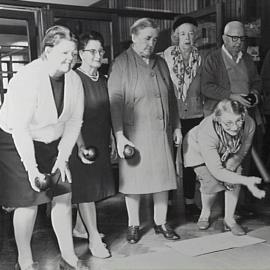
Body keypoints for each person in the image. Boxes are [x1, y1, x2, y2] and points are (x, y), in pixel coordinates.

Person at [0, 25, 85, 270]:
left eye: (74, 53)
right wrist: (32, 169)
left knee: (62, 194)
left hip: (51, 140)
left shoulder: (74, 80)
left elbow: (74, 121)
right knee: (29, 201)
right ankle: (24, 261)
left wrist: (62, 158)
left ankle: (69, 257)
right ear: (47, 51)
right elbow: (21, 129)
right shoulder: (27, 78)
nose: (71, 58)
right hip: (16, 140)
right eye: (65, 53)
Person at [108, 18, 182, 244]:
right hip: (134, 133)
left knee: (162, 178)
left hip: (161, 131)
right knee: (134, 181)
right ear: (134, 37)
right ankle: (133, 224)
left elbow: (171, 97)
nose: (151, 43)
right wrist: (119, 135)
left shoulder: (160, 63)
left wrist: (177, 126)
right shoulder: (121, 63)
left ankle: (161, 222)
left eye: (155, 39)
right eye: (147, 38)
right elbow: (115, 101)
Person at [183, 99, 265, 235]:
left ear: (243, 115)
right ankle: (205, 212)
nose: (235, 127)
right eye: (228, 123)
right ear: (218, 119)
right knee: (210, 181)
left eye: (239, 121)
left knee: (235, 174)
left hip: (228, 149)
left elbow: (243, 149)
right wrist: (246, 181)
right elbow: (217, 171)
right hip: (197, 148)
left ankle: (230, 219)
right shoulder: (207, 131)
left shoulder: (249, 123)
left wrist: (232, 168)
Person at [69, 31, 115, 259]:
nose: (98, 55)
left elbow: (109, 114)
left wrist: (113, 138)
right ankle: (94, 238)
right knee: (86, 189)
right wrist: (80, 146)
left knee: (94, 187)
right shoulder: (74, 78)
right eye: (93, 51)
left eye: (101, 51)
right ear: (81, 54)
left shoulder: (104, 79)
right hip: (80, 141)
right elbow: (71, 117)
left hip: (99, 139)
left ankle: (79, 227)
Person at [163, 16, 204, 217]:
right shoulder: (165, 58)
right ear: (175, 36)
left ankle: (189, 201)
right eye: (182, 33)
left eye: (191, 33)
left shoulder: (201, 58)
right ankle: (168, 202)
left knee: (190, 161)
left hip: (195, 115)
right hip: (171, 116)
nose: (187, 37)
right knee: (169, 159)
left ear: (196, 35)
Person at [201, 20, 261, 117]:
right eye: (234, 38)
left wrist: (255, 93)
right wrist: (232, 96)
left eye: (242, 38)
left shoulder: (247, 58)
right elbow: (206, 87)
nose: (239, 43)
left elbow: (257, 81)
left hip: (245, 115)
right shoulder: (212, 59)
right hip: (221, 116)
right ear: (224, 38)